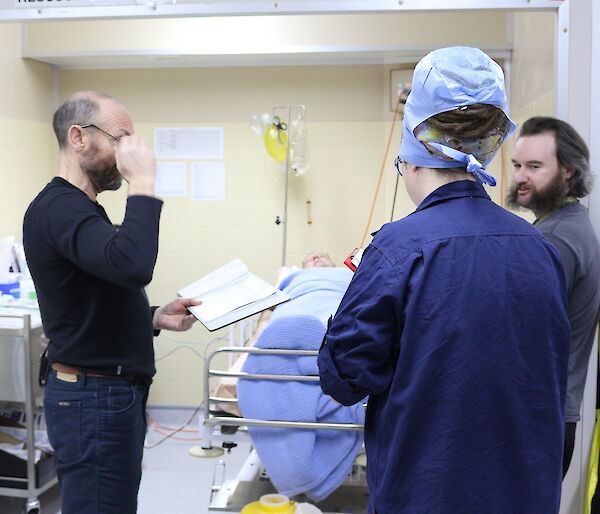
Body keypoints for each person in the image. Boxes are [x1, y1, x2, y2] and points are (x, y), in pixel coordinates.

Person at [318, 47, 571, 514]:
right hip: (526, 494)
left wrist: (349, 300)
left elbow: (345, 377)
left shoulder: (399, 248)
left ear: (412, 158)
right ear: (491, 146)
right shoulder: (540, 249)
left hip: (427, 493)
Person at [22, 91, 200, 514]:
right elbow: (132, 265)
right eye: (120, 138)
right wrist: (142, 184)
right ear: (78, 137)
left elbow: (96, 296)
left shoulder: (82, 209)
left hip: (105, 395)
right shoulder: (60, 209)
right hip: (93, 399)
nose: (128, 152)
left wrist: (152, 316)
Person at [508, 116, 600, 477]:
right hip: (547, 415)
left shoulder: (558, 238)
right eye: (517, 165)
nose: (520, 177)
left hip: (538, 417)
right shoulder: (561, 225)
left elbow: (517, 332)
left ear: (568, 172)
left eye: (534, 166)